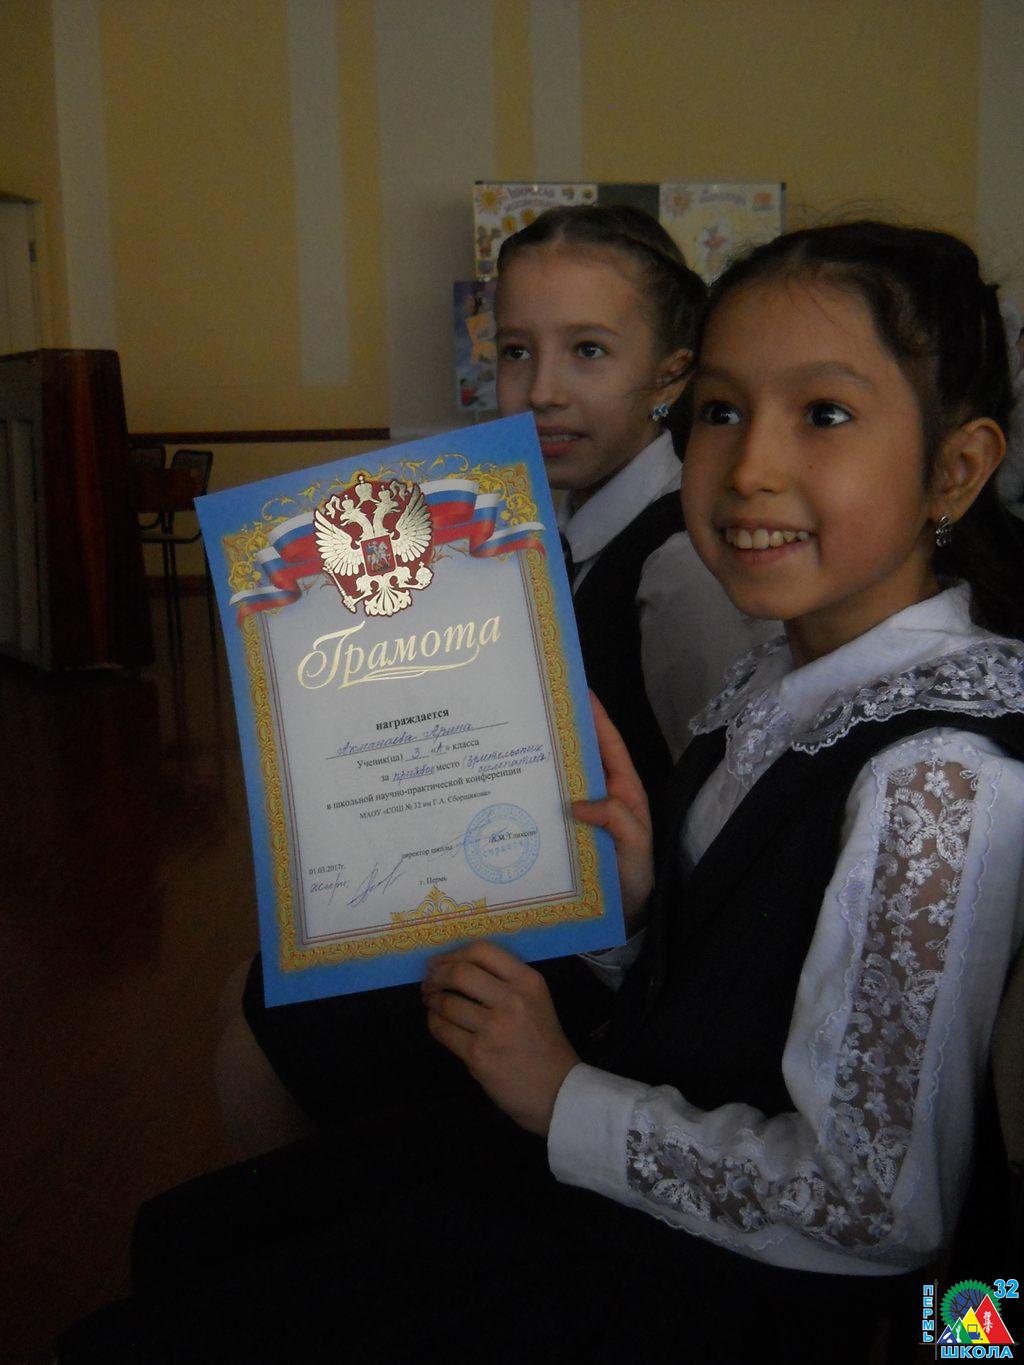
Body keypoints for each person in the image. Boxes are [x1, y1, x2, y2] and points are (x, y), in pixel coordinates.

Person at [60, 220, 1024, 1362]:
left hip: (742, 1288)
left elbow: (876, 1208)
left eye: (823, 414)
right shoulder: (782, 673)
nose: (751, 466)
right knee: (196, 1236)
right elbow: (745, 978)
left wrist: (562, 1093)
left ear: (955, 469)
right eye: (721, 411)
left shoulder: (938, 775)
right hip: (629, 1159)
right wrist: (632, 907)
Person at [218, 204, 771, 1153]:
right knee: (272, 980)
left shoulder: (677, 569)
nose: (542, 390)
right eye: (517, 351)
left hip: (609, 963)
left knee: (273, 1019)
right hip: (527, 887)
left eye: (588, 351)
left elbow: (727, 840)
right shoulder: (548, 528)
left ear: (671, 374)